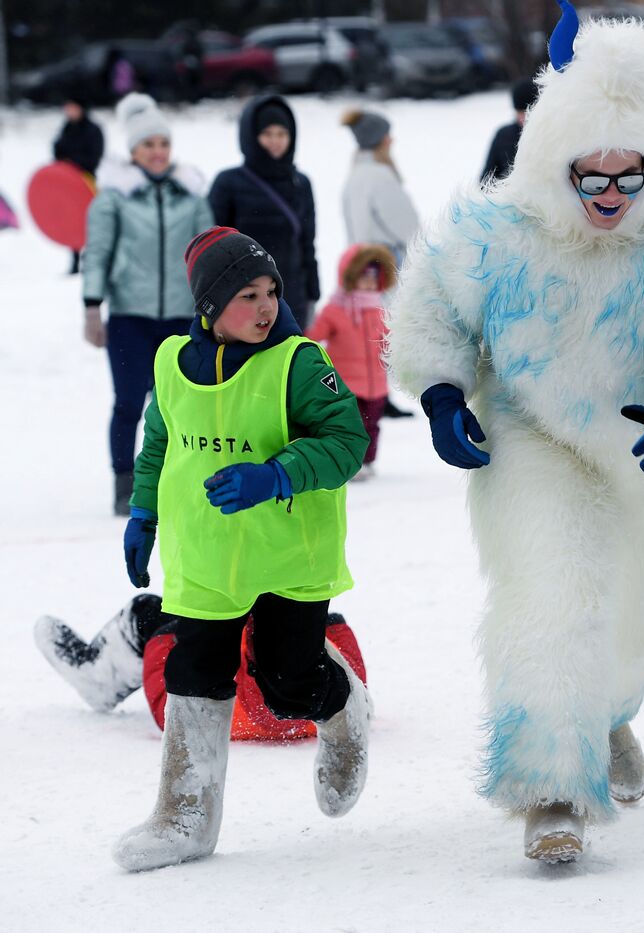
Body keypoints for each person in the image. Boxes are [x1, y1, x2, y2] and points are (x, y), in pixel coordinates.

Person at [385, 3, 644, 863]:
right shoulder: (491, 232)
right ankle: (553, 788)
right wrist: (446, 391)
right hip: (531, 439)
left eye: (627, 176)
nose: (607, 194)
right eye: (588, 175)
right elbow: (432, 311)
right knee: (558, 601)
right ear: (552, 157)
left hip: (642, 451)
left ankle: (607, 717)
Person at [112, 226, 371, 872]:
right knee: (193, 674)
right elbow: (157, 441)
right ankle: (185, 817)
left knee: (287, 686)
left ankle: (343, 703)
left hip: (287, 553)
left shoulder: (299, 362)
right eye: (246, 295)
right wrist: (143, 510)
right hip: (205, 555)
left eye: (270, 292)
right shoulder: (172, 363)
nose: (265, 308)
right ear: (208, 306)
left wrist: (276, 473)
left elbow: (346, 441)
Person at [83, 93, 212, 517]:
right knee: (128, 402)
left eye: (163, 144)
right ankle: (125, 482)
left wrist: (214, 307)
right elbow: (97, 252)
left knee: (178, 406)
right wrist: (92, 306)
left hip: (180, 316)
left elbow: (209, 253)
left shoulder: (191, 194)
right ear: (133, 150)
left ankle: (173, 479)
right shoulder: (114, 196)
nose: (157, 153)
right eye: (148, 145)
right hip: (129, 318)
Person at [34, 595, 367, 741]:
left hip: (190, 712)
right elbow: (356, 684)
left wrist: (170, 635)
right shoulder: (338, 680)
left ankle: (98, 678)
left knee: (149, 612)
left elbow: (189, 657)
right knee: (300, 613)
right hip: (319, 706)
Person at [207, 95, 320, 332]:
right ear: (251, 137)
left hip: (292, 300)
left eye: (282, 134)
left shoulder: (300, 183)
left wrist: (312, 293)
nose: (275, 141)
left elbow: (307, 243)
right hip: (243, 301)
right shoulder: (228, 183)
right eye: (267, 134)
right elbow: (212, 248)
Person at [306, 244, 397, 479]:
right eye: (362, 276)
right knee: (350, 425)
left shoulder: (378, 309)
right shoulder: (336, 310)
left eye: (373, 276)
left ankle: (367, 461)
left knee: (372, 425)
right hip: (346, 383)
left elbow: (388, 340)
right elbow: (314, 335)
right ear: (349, 276)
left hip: (375, 384)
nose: (368, 282)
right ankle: (349, 462)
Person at [341, 108, 420, 265]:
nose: (392, 140)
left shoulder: (354, 176)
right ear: (381, 141)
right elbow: (410, 232)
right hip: (388, 269)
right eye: (387, 135)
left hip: (365, 269)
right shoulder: (380, 178)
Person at [52, 96, 105, 274]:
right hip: (67, 185)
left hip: (86, 183)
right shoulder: (66, 129)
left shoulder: (93, 130)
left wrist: (74, 163)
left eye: (73, 107)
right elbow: (57, 152)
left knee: (89, 222)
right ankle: (74, 260)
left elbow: (95, 156)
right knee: (71, 221)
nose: (70, 111)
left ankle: (89, 259)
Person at [481, 78, 540, 185]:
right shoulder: (503, 136)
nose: (523, 117)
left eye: (527, 112)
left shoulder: (548, 136)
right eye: (519, 112)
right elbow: (486, 180)